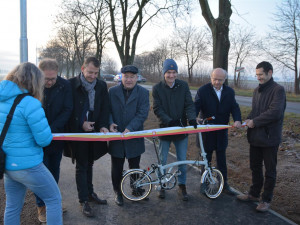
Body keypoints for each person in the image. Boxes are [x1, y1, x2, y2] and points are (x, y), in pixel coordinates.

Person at [0, 62, 62, 225]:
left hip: (7, 165)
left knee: (12, 206)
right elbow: (44, 139)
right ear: (35, 81)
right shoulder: (31, 104)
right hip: (29, 166)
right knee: (54, 199)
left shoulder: (1, 101)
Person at [237, 61, 286, 212]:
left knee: (270, 170)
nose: (258, 77)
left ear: (269, 73)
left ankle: (266, 200)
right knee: (255, 167)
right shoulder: (256, 91)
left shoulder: (278, 90)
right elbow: (255, 111)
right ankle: (253, 194)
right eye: (257, 75)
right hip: (255, 137)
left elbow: (275, 112)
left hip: (270, 138)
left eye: (261, 75)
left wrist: (255, 121)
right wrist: (248, 119)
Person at [66, 57, 109, 217]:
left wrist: (103, 125)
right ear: (83, 68)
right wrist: (81, 124)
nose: (92, 76)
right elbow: (68, 110)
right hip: (78, 130)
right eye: (90, 72)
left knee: (90, 162)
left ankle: (90, 193)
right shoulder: (70, 85)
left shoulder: (102, 85)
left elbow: (105, 107)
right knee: (82, 164)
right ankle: (83, 199)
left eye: (96, 73)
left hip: (95, 130)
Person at [31, 58, 73, 222]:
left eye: (52, 78)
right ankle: (41, 206)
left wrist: (52, 128)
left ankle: (52, 202)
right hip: (36, 137)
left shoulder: (64, 86)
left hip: (56, 136)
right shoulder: (33, 85)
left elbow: (67, 108)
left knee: (54, 171)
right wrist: (41, 130)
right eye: (46, 79)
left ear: (57, 74)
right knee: (39, 173)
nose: (49, 82)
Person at [152, 59, 198, 201]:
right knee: (162, 160)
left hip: (181, 130)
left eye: (174, 72)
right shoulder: (157, 88)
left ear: (177, 73)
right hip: (165, 130)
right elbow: (157, 108)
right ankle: (162, 185)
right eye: (168, 72)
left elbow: (189, 104)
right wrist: (168, 121)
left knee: (182, 160)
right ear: (164, 73)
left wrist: (191, 118)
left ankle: (182, 186)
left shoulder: (183, 86)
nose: (171, 75)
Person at [194, 68, 241, 195]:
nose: (217, 82)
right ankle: (205, 184)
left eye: (220, 80)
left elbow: (234, 107)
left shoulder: (229, 92)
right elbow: (195, 106)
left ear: (224, 79)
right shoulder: (203, 90)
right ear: (211, 78)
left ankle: (224, 184)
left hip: (221, 132)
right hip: (206, 132)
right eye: (214, 79)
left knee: (222, 160)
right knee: (206, 160)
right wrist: (194, 117)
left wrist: (237, 120)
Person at [108, 65, 149, 206]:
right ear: (121, 77)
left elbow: (143, 113)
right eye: (126, 76)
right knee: (117, 166)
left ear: (137, 78)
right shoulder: (112, 92)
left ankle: (136, 189)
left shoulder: (143, 93)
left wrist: (130, 128)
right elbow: (107, 111)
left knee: (135, 165)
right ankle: (118, 192)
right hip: (116, 136)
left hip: (134, 136)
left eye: (132, 77)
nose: (129, 80)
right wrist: (110, 123)